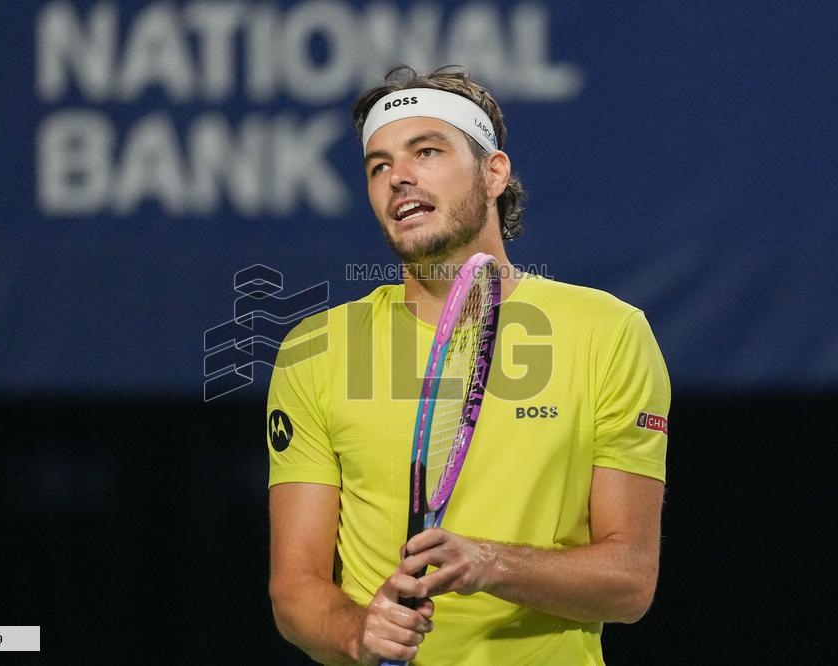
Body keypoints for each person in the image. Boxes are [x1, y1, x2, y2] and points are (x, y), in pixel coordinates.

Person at [266, 65, 670, 665]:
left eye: (426, 151)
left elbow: (631, 581)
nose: (398, 176)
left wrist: (488, 564)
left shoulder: (610, 334)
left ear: (494, 172)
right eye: (378, 166)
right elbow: (295, 589)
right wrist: (357, 632)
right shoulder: (314, 349)